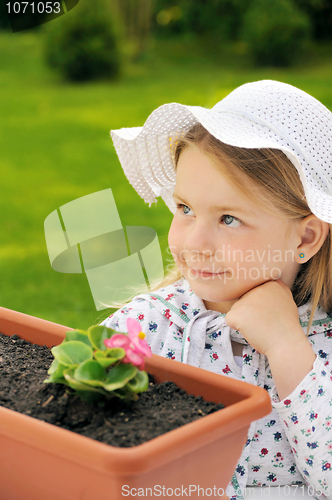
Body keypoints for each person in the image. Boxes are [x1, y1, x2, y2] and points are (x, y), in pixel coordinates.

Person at [101, 80, 332, 500]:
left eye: (228, 218)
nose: (193, 244)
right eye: (185, 209)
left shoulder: (322, 345)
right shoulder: (147, 326)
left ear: (305, 239)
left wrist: (286, 347)